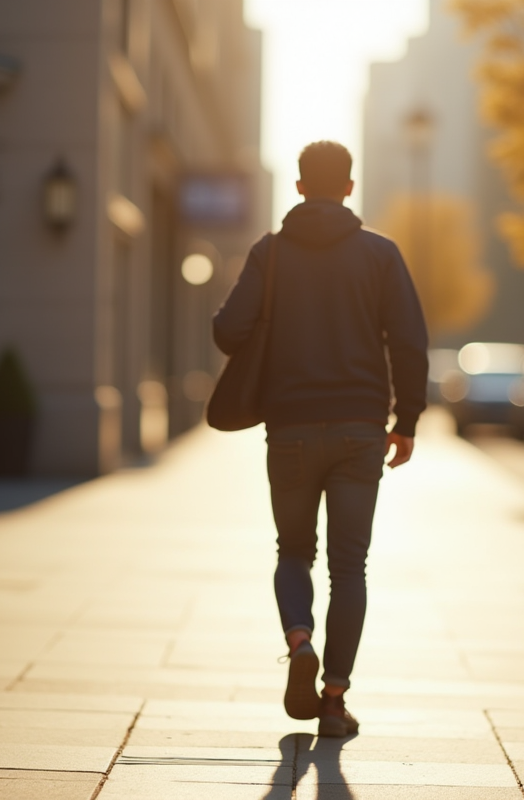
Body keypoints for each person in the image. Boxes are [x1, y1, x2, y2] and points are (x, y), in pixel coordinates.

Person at [212, 141, 429, 738]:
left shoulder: (270, 253)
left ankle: (299, 639)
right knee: (350, 567)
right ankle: (333, 700)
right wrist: (407, 420)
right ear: (350, 188)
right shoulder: (380, 254)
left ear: (300, 186)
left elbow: (228, 332)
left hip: (290, 429)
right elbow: (409, 341)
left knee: (292, 552)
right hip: (361, 431)